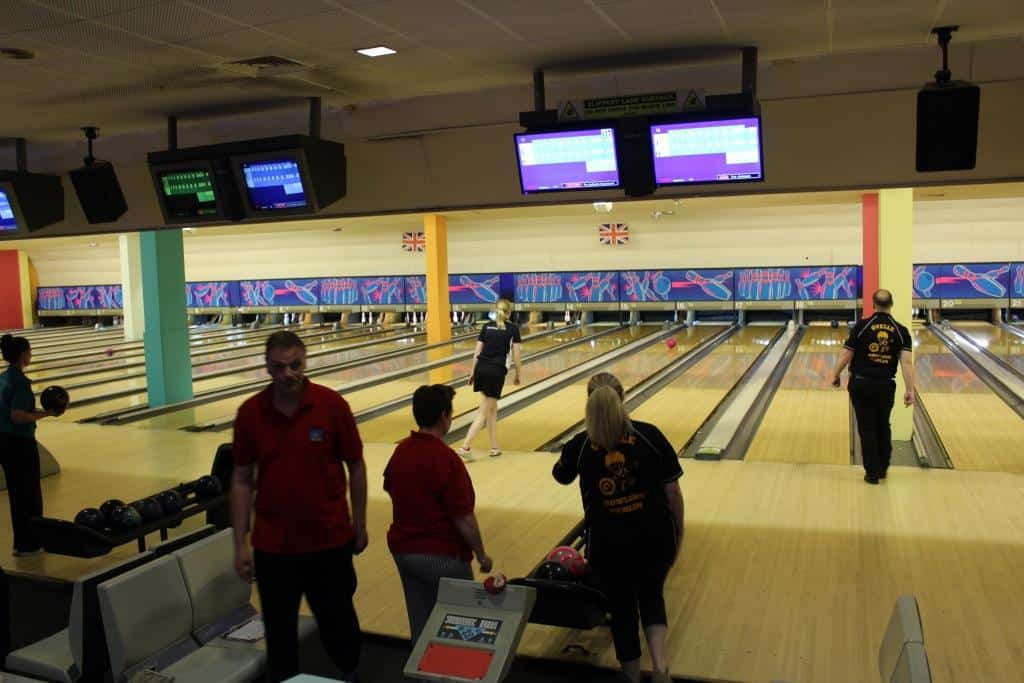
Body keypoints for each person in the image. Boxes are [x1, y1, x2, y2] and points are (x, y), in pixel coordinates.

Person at [231, 331, 367, 683]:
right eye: (279, 366)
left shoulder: (331, 405)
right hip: (273, 548)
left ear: (305, 362)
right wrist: (239, 543)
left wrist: (360, 523)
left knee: (340, 626)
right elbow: (241, 479)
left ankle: (351, 675)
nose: (288, 373)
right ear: (267, 366)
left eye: (295, 365)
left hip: (330, 541)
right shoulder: (250, 413)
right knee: (279, 638)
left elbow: (356, 465)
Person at [552, 373, 684, 683]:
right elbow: (673, 492)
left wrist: (569, 450)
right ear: (622, 398)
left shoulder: (580, 445)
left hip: (608, 547)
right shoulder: (649, 435)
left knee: (623, 612)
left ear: (589, 403)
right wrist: (678, 533)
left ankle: (631, 678)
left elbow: (560, 475)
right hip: (655, 539)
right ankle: (661, 669)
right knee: (652, 596)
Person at [384, 384, 493, 648]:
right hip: (442, 557)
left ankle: (422, 668)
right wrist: (481, 555)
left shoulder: (401, 451)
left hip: (404, 553)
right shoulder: (446, 459)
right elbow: (463, 518)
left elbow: (391, 488)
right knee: (464, 628)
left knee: (421, 626)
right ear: (444, 416)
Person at [831, 289, 915, 485]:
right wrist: (910, 389)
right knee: (883, 425)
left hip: (861, 384)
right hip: (886, 385)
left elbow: (846, 354)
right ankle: (883, 468)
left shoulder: (862, 326)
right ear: (891, 304)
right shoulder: (901, 330)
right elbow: (907, 362)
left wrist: (836, 373)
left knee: (867, 427)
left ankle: (872, 473)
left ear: (873, 304)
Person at [0, 334, 56, 557]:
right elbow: (18, 416)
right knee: (30, 494)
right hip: (20, 444)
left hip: (3, 442)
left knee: (17, 494)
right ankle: (30, 544)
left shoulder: (4, 378)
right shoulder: (20, 382)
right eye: (30, 351)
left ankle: (20, 543)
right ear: (24, 354)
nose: (31, 355)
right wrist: (47, 413)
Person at [457, 299, 522, 461]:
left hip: (481, 368)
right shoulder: (513, 329)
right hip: (496, 371)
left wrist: (472, 372)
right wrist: (518, 374)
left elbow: (477, 352)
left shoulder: (487, 326)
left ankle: (494, 447)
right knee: (483, 412)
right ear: (509, 312)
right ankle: (465, 446)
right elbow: (516, 355)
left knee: (492, 409)